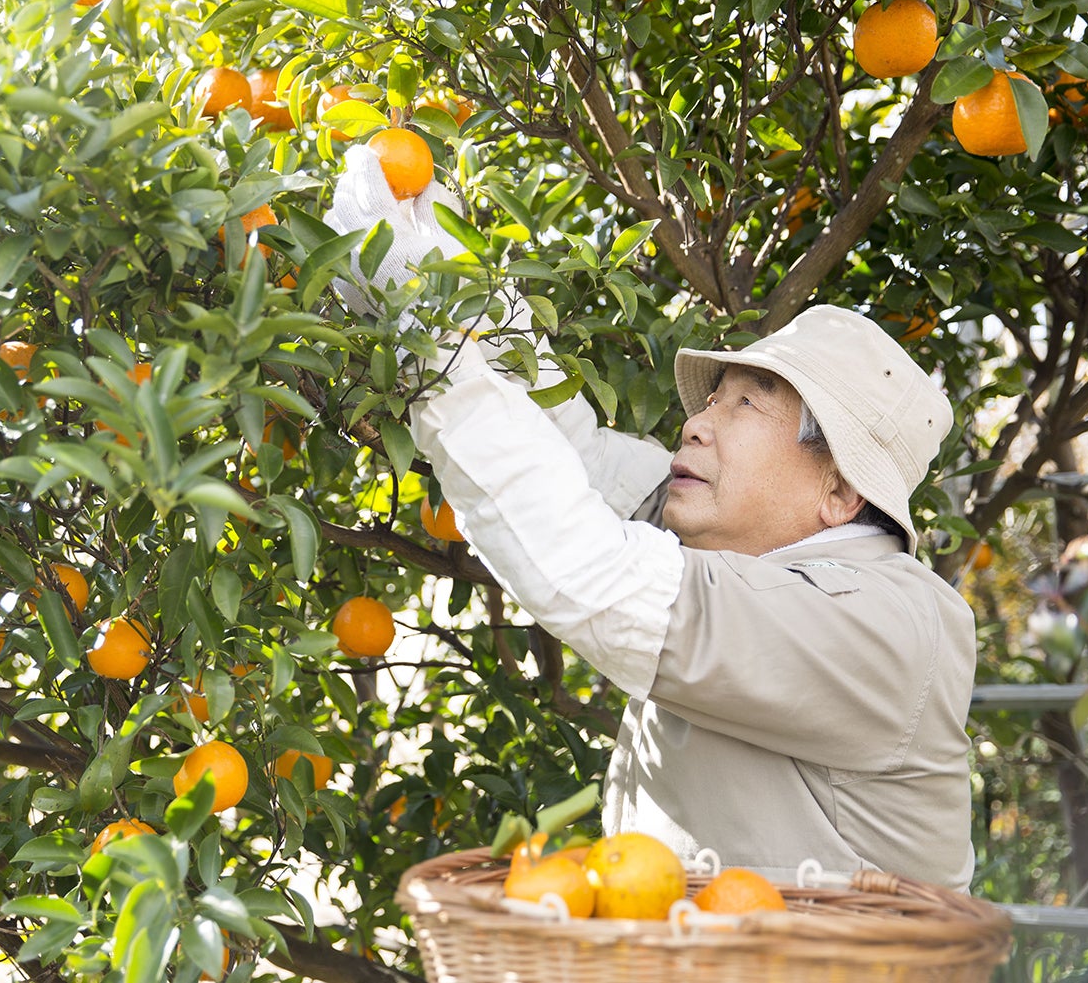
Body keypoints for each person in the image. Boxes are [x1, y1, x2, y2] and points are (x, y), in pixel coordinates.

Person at [328, 148, 977, 889]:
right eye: (712, 398)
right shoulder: (737, 545)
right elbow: (575, 460)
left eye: (746, 403)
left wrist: (429, 348)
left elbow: (596, 576)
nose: (698, 424)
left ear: (839, 491)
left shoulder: (883, 620)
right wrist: (449, 280)